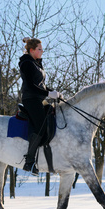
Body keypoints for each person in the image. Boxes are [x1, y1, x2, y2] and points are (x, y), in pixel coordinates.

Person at [19, 37, 60, 174]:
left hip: (38, 98)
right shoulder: (27, 64)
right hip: (31, 99)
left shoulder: (36, 63)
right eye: (39, 49)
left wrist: (52, 92)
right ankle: (29, 162)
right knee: (41, 126)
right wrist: (48, 94)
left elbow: (41, 85)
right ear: (32, 50)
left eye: (42, 49)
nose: (42, 51)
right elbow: (31, 86)